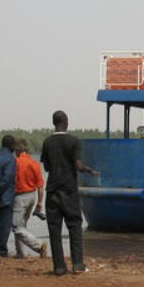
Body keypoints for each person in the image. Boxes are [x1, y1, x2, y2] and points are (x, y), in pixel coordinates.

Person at [40, 110, 97, 275]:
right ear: (65, 122)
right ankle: (78, 264)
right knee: (74, 225)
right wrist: (89, 170)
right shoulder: (74, 141)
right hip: (69, 190)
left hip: (52, 190)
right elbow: (78, 166)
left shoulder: (47, 142)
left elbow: (47, 167)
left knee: (54, 228)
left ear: (53, 123)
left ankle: (59, 267)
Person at [12, 138, 47, 258]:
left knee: (16, 226)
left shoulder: (16, 162)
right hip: (32, 196)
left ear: (17, 150)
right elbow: (41, 186)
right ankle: (20, 253)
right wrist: (40, 203)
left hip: (20, 196)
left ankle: (38, 245)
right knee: (23, 225)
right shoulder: (35, 164)